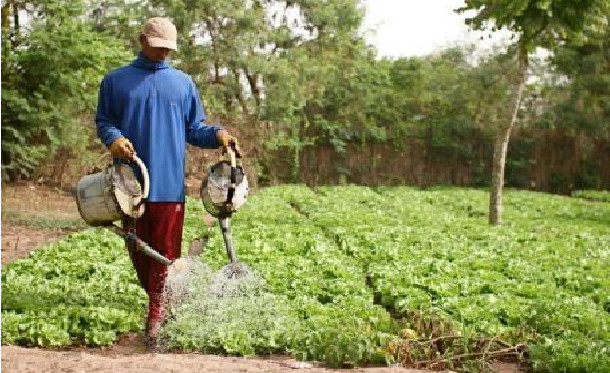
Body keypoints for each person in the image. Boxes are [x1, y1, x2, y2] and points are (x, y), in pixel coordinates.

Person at [95, 17, 236, 347]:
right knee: (138, 250)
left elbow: (194, 128)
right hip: (129, 183)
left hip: (170, 184)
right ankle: (162, 301)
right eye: (158, 48)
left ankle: (156, 316)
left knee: (165, 252)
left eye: (168, 50)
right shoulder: (116, 81)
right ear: (142, 40)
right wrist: (113, 139)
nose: (163, 55)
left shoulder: (183, 83)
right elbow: (104, 121)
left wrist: (218, 134)